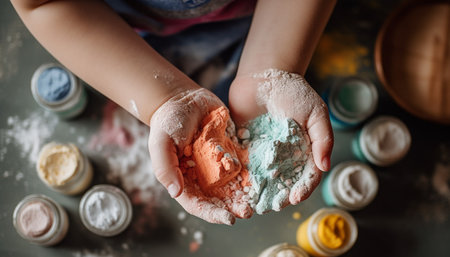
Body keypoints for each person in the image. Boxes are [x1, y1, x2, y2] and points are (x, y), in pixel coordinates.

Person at [10, 0, 335, 224]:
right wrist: (163, 98)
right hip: (110, 35)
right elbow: (44, 4)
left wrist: (273, 67)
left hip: (269, 21)